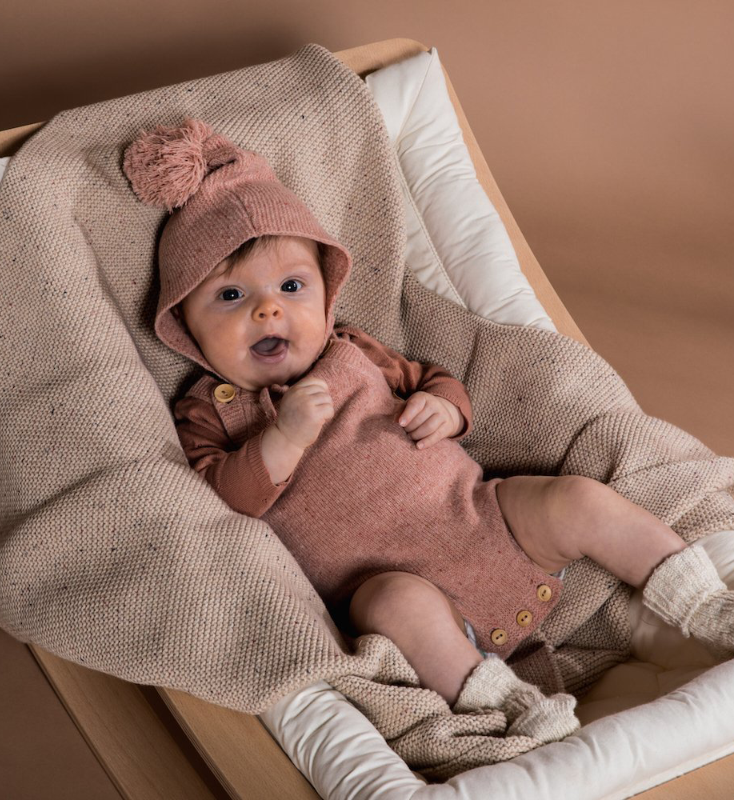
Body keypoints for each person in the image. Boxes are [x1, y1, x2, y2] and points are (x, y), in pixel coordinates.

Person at [122, 118, 733, 737]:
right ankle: (509, 708)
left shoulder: (352, 349)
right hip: (397, 590)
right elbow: (225, 499)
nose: (267, 308)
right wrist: (281, 440)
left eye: (290, 286)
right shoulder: (207, 411)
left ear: (325, 296)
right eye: (230, 297)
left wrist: (445, 408)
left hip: (482, 517)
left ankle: (708, 604)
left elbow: (432, 379)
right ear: (185, 326)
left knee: (574, 499)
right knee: (390, 603)